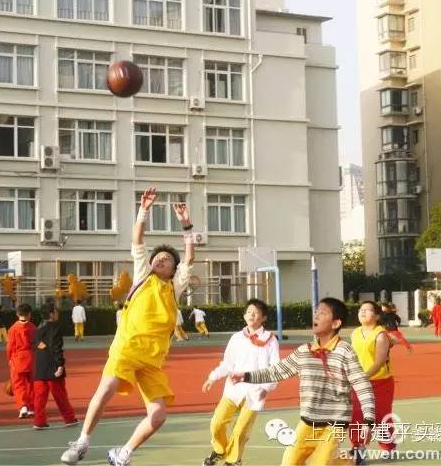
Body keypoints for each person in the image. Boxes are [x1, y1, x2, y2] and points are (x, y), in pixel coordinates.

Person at [60, 187, 194, 466]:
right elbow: (138, 239)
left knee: (158, 415)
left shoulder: (174, 287)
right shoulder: (144, 274)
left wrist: (186, 225)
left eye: (167, 259)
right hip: (127, 347)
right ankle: (82, 441)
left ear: (173, 269)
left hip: (152, 360)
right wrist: (143, 209)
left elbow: (189, 257)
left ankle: (124, 453)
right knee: (106, 386)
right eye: (158, 257)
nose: (161, 259)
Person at [228, 298, 375, 466]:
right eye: (316, 312)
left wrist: (369, 421)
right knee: (289, 463)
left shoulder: (344, 352)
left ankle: (352, 461)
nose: (316, 316)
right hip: (307, 422)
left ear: (335, 323)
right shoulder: (304, 351)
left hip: (334, 424)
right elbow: (277, 371)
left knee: (321, 464)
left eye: (322, 313)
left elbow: (363, 386)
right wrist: (246, 376)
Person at [201, 299, 279, 466]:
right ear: (244, 315)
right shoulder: (236, 338)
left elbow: (275, 369)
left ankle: (233, 460)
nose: (252, 314)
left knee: (241, 429)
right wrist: (212, 378)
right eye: (249, 311)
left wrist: (267, 388)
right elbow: (228, 364)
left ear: (263, 318)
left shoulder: (271, 340)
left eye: (256, 312)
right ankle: (220, 450)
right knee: (217, 423)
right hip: (233, 389)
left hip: (255, 392)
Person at [349, 301, 396, 464]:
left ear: (376, 316)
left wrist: (364, 376)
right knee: (355, 415)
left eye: (367, 310)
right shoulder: (355, 333)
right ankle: (358, 447)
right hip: (359, 383)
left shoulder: (381, 334)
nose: (362, 312)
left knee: (380, 417)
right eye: (361, 310)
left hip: (381, 382)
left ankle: (388, 446)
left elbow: (379, 362)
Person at [33, 302, 79, 430]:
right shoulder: (55, 328)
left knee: (39, 398)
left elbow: (35, 346)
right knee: (60, 395)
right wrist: (60, 365)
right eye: (56, 311)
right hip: (52, 365)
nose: (57, 313)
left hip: (40, 367)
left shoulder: (37, 329)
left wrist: (42, 347)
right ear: (52, 314)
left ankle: (39, 421)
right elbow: (56, 347)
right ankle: (69, 418)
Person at [7, 303, 37, 419]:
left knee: (18, 385)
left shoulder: (12, 329)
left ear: (17, 314)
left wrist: (9, 358)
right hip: (31, 358)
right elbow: (36, 344)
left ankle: (23, 406)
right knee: (32, 385)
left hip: (17, 359)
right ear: (29, 314)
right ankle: (32, 408)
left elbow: (9, 347)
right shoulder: (33, 327)